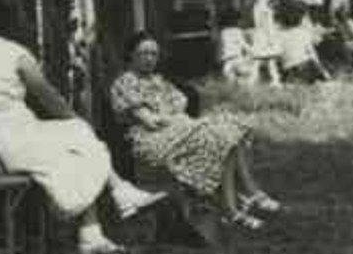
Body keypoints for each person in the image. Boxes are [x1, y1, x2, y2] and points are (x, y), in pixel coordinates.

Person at [0, 0, 164, 254]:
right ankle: (114, 199)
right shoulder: (13, 54)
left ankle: (99, 224)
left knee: (75, 141)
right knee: (79, 134)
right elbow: (50, 100)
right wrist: (75, 119)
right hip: (8, 147)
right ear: (3, 23)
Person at [111, 31, 281, 232]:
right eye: (143, 53)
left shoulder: (159, 81)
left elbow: (179, 105)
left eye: (154, 54)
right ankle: (241, 201)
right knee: (223, 135)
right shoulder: (125, 83)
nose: (149, 59)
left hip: (177, 129)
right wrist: (172, 116)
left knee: (232, 129)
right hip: (152, 139)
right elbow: (150, 122)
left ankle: (238, 202)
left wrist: (173, 116)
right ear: (131, 55)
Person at [278, 3, 332, 83]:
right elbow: (313, 55)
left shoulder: (279, 35)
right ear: (300, 20)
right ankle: (321, 79)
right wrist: (324, 72)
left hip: (288, 70)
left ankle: (294, 80)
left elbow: (278, 55)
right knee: (312, 63)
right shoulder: (304, 33)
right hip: (305, 67)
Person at [249, 0, 284, 86]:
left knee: (260, 59)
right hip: (266, 35)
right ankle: (275, 79)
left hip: (260, 35)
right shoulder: (265, 9)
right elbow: (265, 24)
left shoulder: (256, 7)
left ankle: (255, 79)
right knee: (270, 59)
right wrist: (271, 38)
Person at [216, 8, 253, 84]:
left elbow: (220, 47)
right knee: (244, 79)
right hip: (238, 59)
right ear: (236, 20)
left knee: (231, 81)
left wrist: (219, 58)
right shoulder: (237, 31)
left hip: (227, 62)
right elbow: (244, 45)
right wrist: (252, 51)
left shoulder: (222, 32)